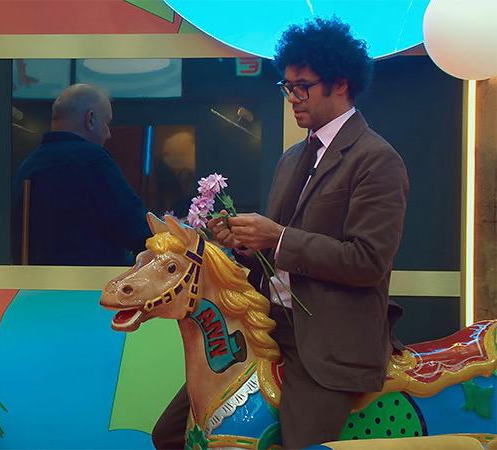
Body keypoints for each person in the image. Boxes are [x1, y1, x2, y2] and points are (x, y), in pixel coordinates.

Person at [153, 17, 409, 448]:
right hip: (266, 327)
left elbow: (368, 262)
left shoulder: (377, 160)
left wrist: (276, 237)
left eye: (302, 86)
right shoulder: (293, 157)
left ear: (341, 83)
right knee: (170, 435)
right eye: (287, 86)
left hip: (330, 343)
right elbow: (277, 255)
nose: (292, 97)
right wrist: (244, 245)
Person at [11, 83, 151, 266]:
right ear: (90, 119)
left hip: (32, 287)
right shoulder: (92, 160)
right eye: (107, 123)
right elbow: (135, 227)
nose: (108, 134)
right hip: (93, 287)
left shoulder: (27, 166)